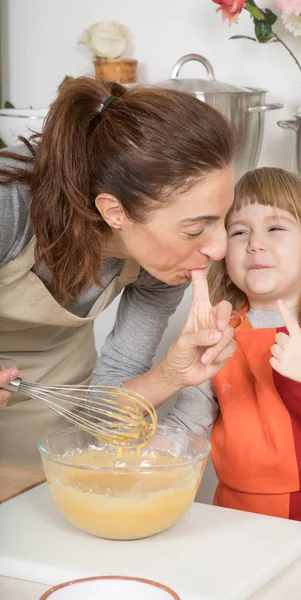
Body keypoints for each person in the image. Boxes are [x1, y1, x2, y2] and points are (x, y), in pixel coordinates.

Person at [0, 76, 237, 468]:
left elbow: (104, 410)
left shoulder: (163, 266)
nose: (219, 248)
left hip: (60, 422)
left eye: (223, 219)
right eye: (195, 229)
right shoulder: (9, 207)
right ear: (114, 212)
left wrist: (174, 374)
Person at [162, 167, 301, 544]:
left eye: (275, 229)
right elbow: (185, 429)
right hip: (235, 518)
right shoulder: (219, 332)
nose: (255, 244)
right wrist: (131, 459)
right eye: (239, 232)